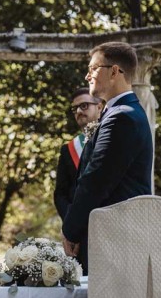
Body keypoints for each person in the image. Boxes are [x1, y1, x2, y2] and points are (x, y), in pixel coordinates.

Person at [61, 42, 153, 274]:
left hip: (115, 238)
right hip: (109, 233)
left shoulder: (122, 117)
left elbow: (95, 180)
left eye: (93, 68)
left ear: (114, 71)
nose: (87, 75)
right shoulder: (119, 113)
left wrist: (70, 230)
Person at [54, 88, 103, 223]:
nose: (79, 112)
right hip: (79, 226)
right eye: (75, 109)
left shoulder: (112, 139)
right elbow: (60, 194)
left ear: (99, 107)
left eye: (84, 106)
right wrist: (71, 221)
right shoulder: (68, 150)